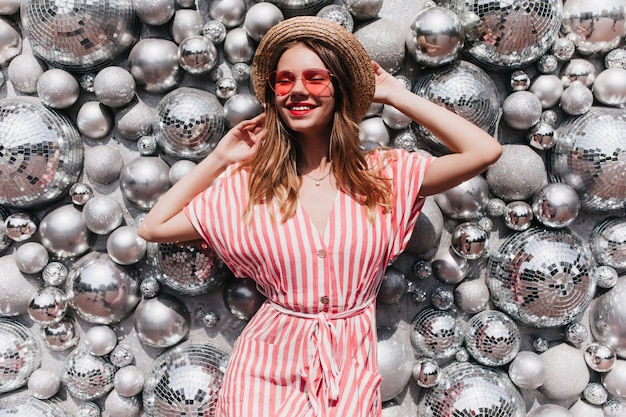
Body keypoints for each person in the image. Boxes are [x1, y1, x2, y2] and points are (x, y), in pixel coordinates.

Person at [138, 16, 502, 417]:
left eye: (315, 78)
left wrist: (398, 95)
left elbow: (483, 151)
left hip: (348, 375)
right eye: (285, 80)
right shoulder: (249, 186)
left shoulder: (384, 176)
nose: (297, 90)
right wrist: (221, 157)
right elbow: (154, 226)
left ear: (339, 90)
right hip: (262, 380)